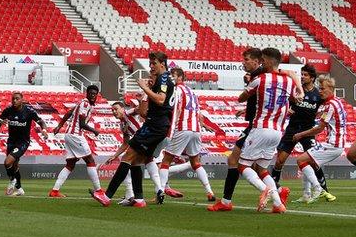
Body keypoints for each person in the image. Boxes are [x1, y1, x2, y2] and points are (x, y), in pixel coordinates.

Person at [92, 51, 175, 208]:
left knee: (128, 156)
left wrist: (144, 88)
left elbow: (161, 99)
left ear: (162, 64)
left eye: (154, 63)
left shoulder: (164, 78)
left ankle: (107, 196)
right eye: (150, 64)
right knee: (137, 161)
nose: (151, 67)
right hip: (158, 126)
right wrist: (149, 89)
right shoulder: (163, 80)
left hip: (154, 126)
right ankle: (138, 199)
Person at [230, 48, 299, 214]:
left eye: (263, 59)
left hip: (260, 127)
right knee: (262, 170)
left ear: (267, 60)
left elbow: (242, 97)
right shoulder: (289, 82)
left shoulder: (260, 79)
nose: (261, 62)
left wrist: (249, 87)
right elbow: (293, 99)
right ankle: (277, 204)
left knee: (242, 165)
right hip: (277, 132)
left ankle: (264, 189)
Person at [208, 48, 263, 211]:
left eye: (246, 59)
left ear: (256, 61)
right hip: (258, 124)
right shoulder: (259, 76)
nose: (243, 62)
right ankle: (278, 194)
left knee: (234, 161)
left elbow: (247, 97)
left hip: (256, 126)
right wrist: (247, 109)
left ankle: (227, 202)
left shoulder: (260, 76)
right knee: (258, 167)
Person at [271, 64, 329, 203]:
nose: (302, 77)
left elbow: (328, 106)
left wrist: (322, 114)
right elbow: (287, 104)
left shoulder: (318, 94)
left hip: (308, 130)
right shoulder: (297, 90)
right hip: (292, 129)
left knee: (313, 161)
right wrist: (289, 109)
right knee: (279, 161)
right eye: (301, 74)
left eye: (305, 75)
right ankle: (273, 188)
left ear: (312, 78)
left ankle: (325, 191)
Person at [159, 67, 215, 202]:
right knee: (195, 162)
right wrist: (204, 126)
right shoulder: (192, 92)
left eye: (174, 75)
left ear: (180, 77)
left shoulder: (176, 90)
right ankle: (210, 191)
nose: (171, 78)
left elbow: (176, 111)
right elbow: (199, 113)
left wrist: (170, 131)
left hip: (183, 127)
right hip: (195, 129)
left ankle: (159, 192)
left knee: (165, 161)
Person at [294, 75, 346, 203]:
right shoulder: (338, 102)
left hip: (333, 144)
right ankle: (307, 194)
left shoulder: (330, 105)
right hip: (337, 143)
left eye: (323, 89)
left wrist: (301, 134)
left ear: (331, 89)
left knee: (301, 160)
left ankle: (318, 189)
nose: (320, 91)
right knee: (307, 163)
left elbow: (319, 128)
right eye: (320, 89)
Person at [49, 85, 103, 198]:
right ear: (87, 93)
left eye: (95, 94)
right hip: (75, 135)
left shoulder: (81, 103)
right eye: (91, 93)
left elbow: (69, 113)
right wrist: (94, 131)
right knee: (90, 160)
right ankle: (98, 190)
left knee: (70, 164)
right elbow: (82, 124)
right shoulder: (85, 104)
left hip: (69, 135)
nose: (93, 95)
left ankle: (54, 191)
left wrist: (60, 126)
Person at [0, 92, 49, 196]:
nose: (14, 101)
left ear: (22, 100)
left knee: (7, 162)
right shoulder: (8, 110)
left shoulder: (28, 111)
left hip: (23, 142)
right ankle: (19, 189)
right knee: (14, 166)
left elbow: (41, 121)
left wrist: (44, 130)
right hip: (11, 141)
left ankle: (12, 181)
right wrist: (0, 123)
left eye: (17, 99)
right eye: (13, 99)